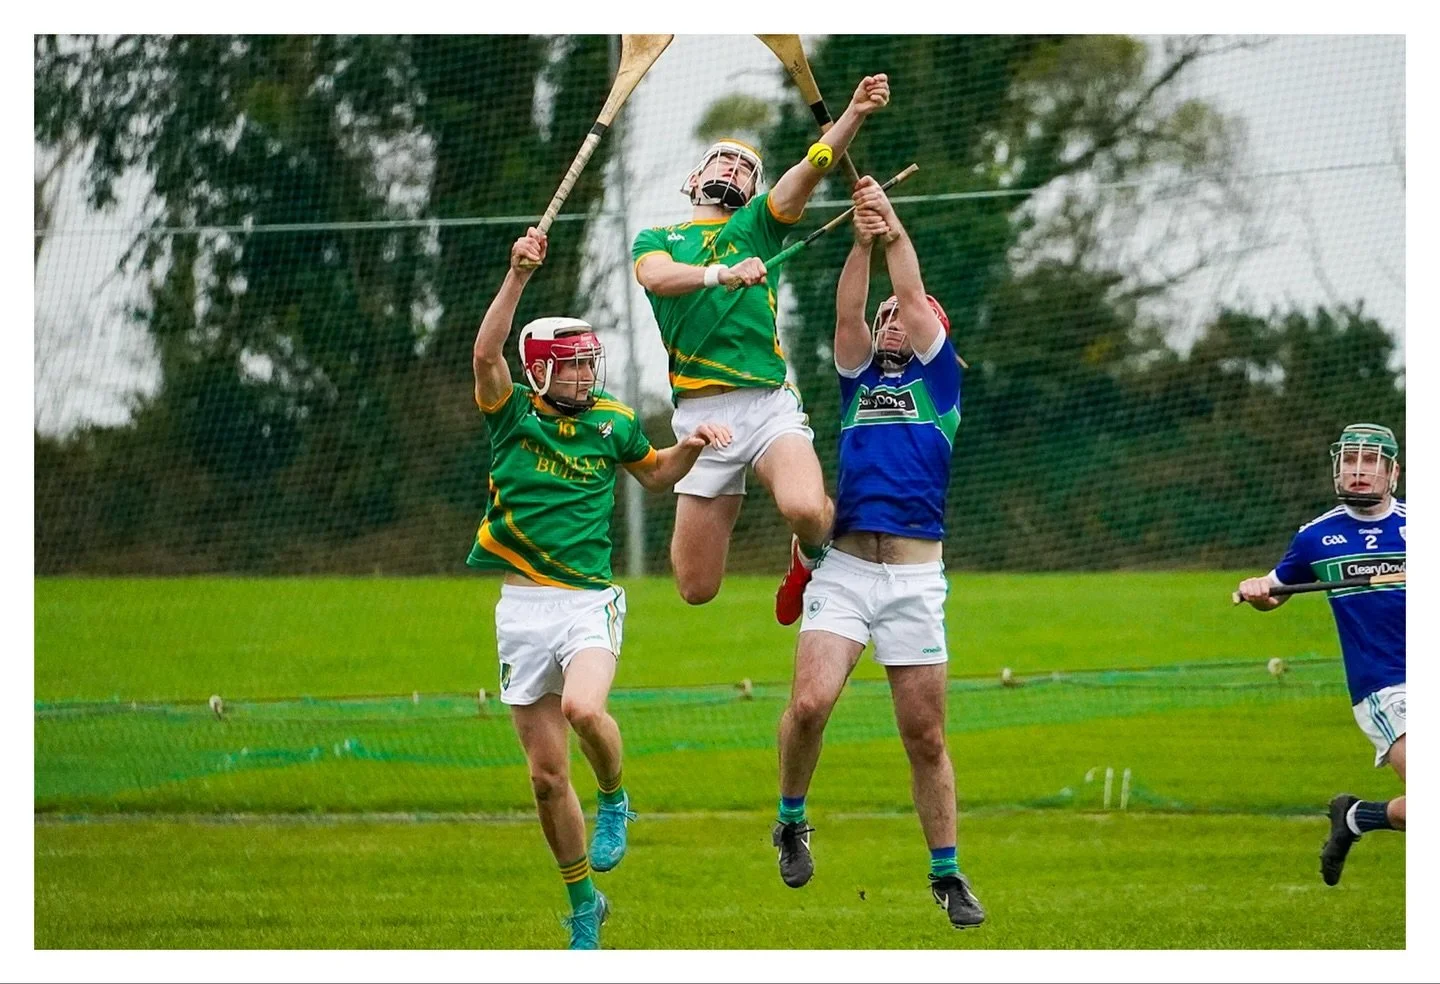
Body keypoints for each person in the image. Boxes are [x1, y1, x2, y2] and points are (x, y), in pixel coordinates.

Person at [469, 228, 731, 948]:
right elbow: (486, 354)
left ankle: (617, 797)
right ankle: (584, 903)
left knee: (586, 708)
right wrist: (518, 274)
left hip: (588, 601)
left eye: (591, 364)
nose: (589, 376)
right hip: (522, 610)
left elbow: (655, 475)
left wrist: (691, 447)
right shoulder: (512, 416)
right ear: (541, 373)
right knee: (547, 781)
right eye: (575, 367)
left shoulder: (613, 422)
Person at [769, 176, 984, 930]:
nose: (891, 320)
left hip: (917, 581)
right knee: (809, 703)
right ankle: (792, 819)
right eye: (887, 315)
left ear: (928, 330)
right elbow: (847, 310)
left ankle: (946, 874)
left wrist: (893, 233)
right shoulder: (859, 380)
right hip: (850, 571)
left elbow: (914, 293)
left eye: (903, 316)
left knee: (924, 736)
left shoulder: (942, 384)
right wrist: (861, 240)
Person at [631, 74, 890, 623]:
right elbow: (656, 278)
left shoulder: (757, 226)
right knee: (696, 588)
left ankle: (810, 554)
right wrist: (721, 275)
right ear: (694, 178)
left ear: (753, 192)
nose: (734, 169)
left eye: (747, 169)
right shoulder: (659, 240)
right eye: (723, 161)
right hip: (700, 420)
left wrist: (854, 113)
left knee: (802, 506)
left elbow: (812, 167)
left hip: (766, 403)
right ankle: (810, 546)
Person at [1235, 423, 1405, 886]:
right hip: (1385, 683)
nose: (1358, 472)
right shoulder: (1316, 537)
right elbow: (1274, 591)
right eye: (1350, 461)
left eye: (1370, 462)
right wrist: (1257, 589)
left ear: (1393, 472)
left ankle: (1357, 818)